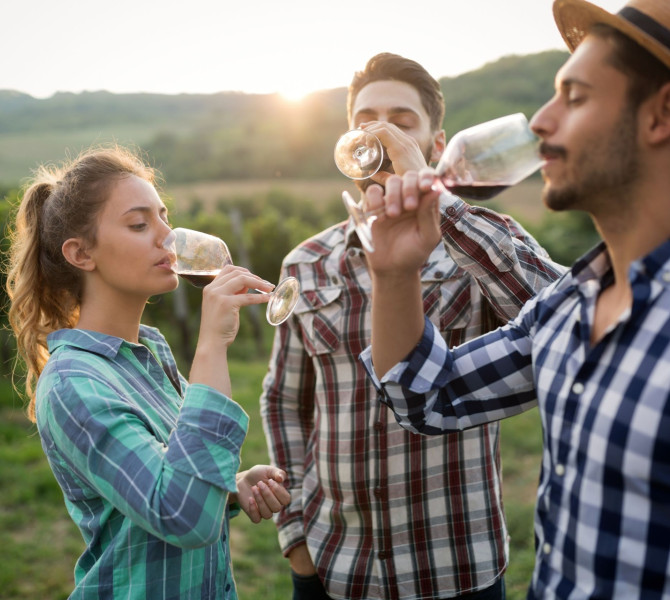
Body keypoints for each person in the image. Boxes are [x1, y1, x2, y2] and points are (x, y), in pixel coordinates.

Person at [360, 1, 670, 598]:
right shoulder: (566, 305)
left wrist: (440, 199)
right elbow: (428, 397)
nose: (542, 122)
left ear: (661, 115)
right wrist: (396, 275)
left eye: (574, 98)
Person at [260, 52, 565, 600]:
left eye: (401, 122)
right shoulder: (305, 264)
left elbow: (567, 317)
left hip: (457, 567)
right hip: (334, 567)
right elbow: (284, 400)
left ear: (436, 144)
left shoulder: (479, 245)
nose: (379, 132)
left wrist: (436, 199)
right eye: (364, 120)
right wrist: (297, 540)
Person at [5, 145, 291, 599]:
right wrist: (212, 343)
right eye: (139, 224)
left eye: (163, 217)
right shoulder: (73, 384)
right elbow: (183, 516)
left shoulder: (150, 350)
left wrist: (231, 486)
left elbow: (168, 475)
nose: (168, 237)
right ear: (81, 254)